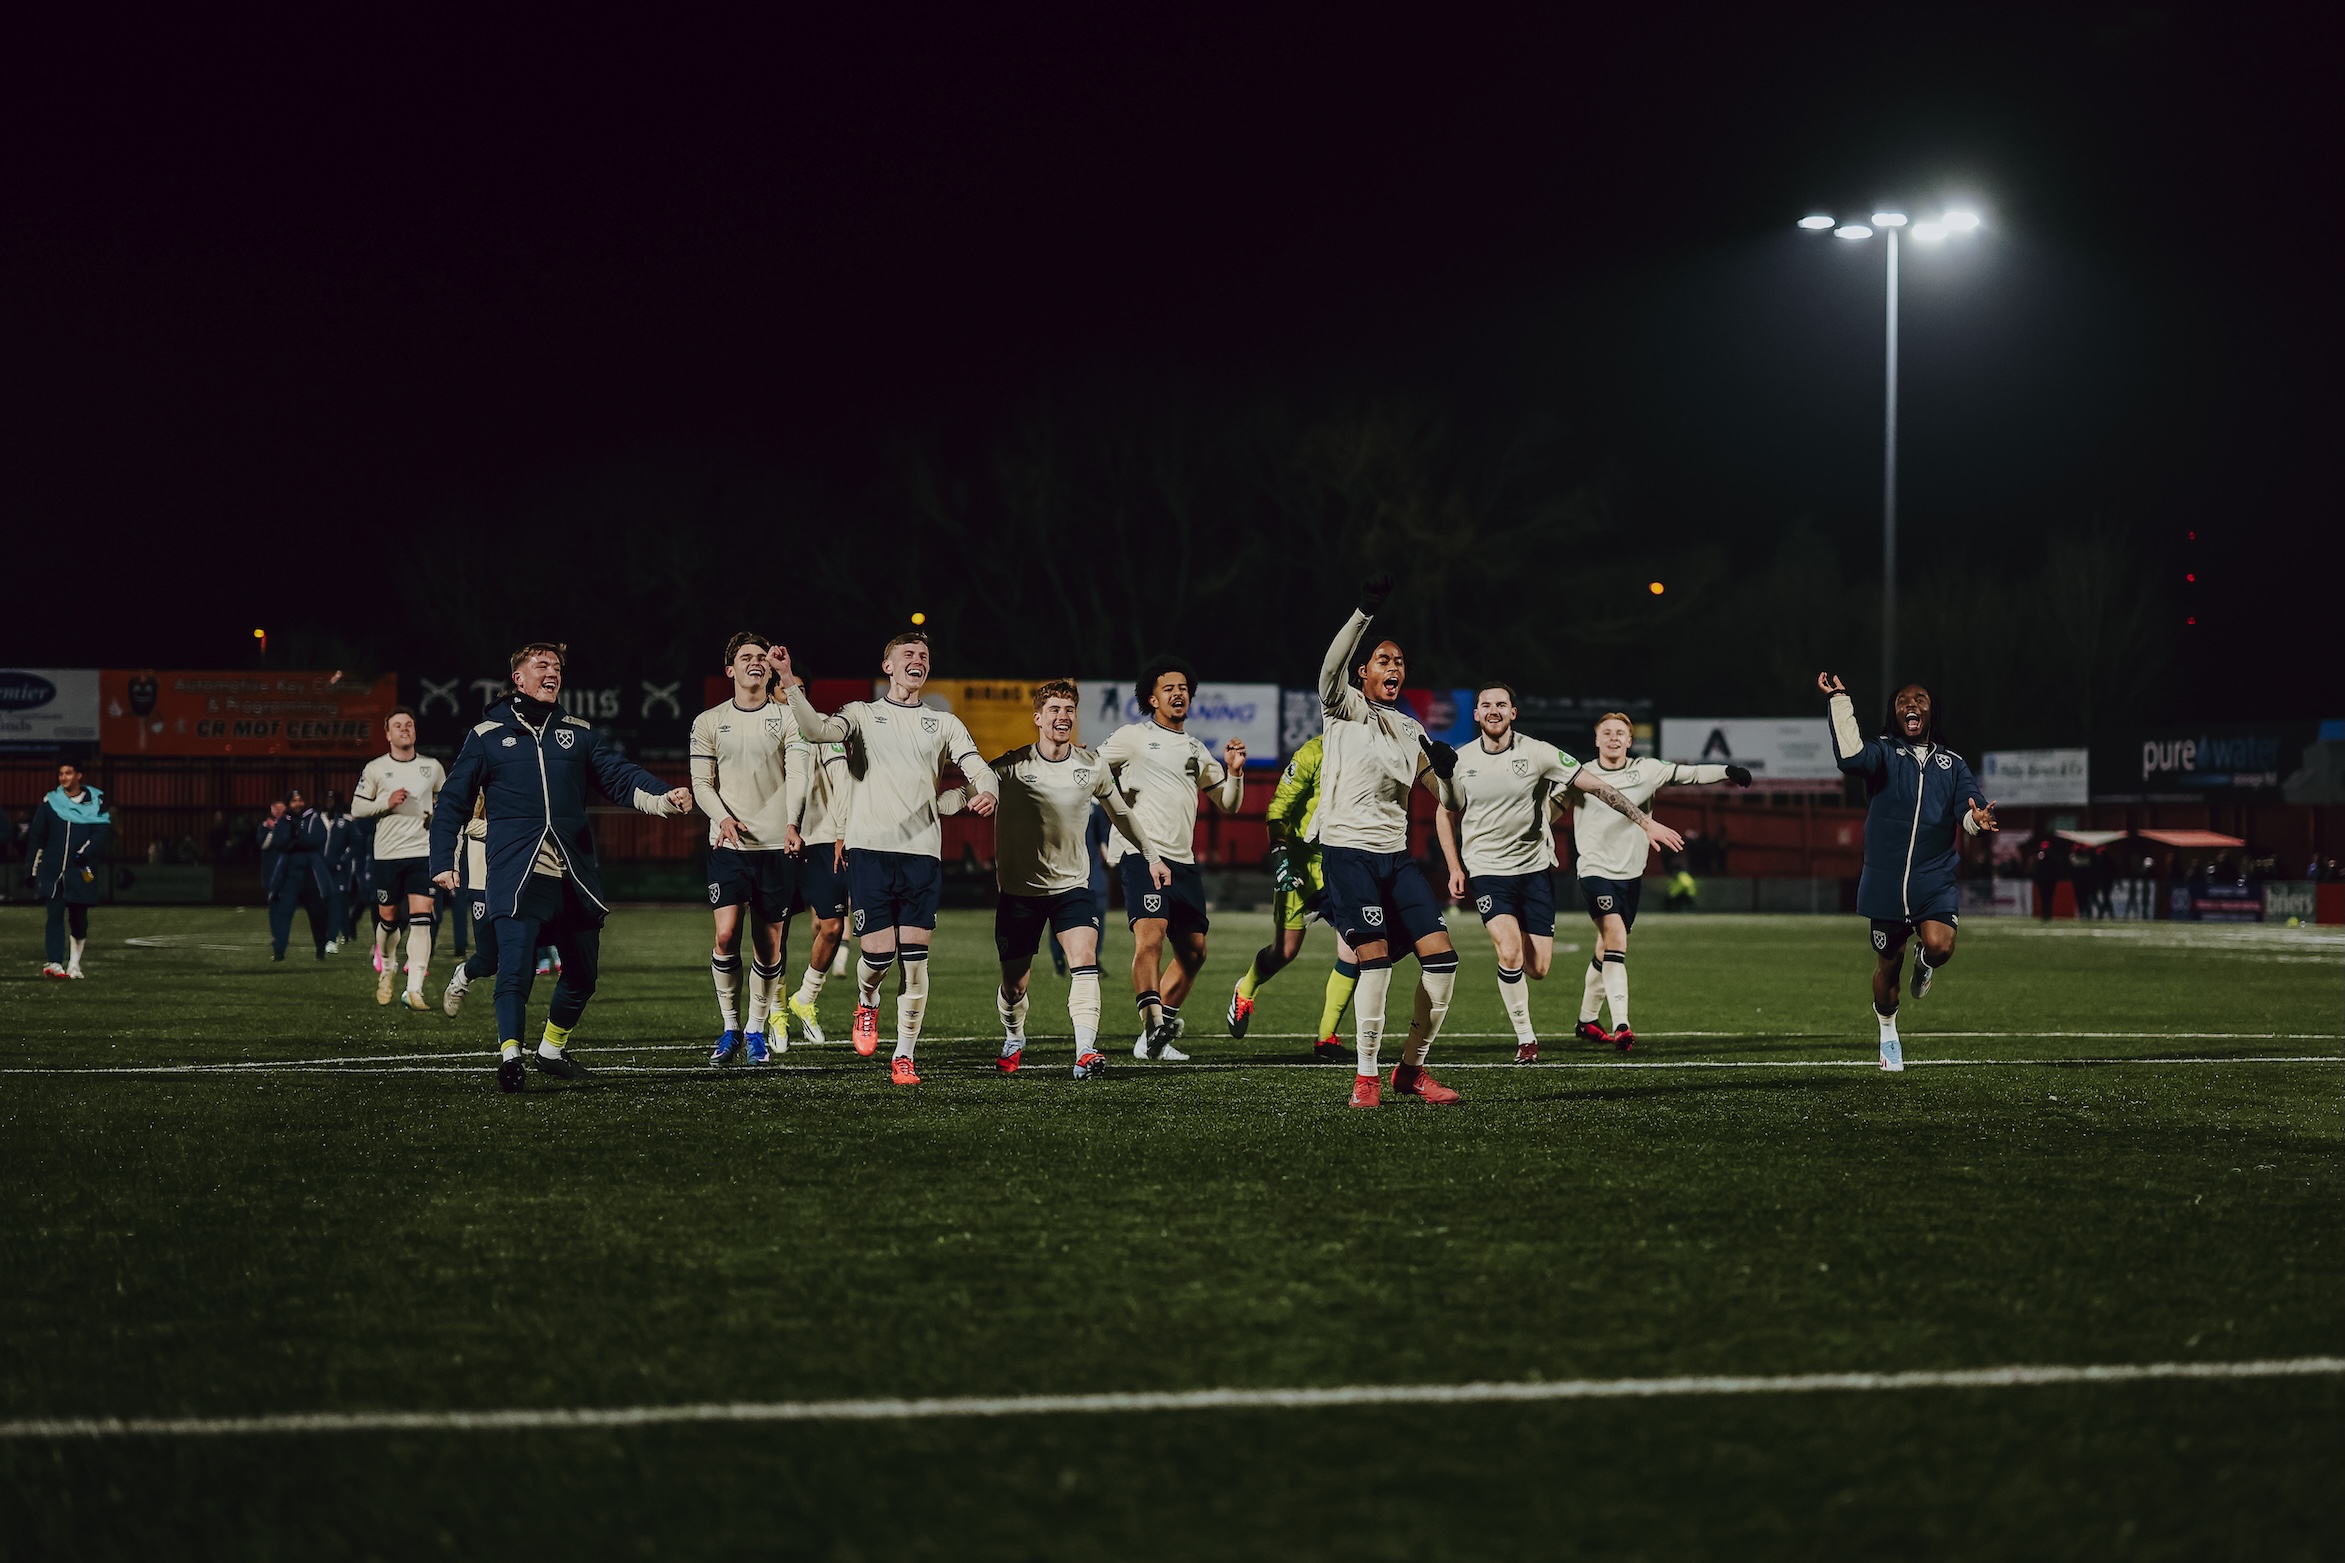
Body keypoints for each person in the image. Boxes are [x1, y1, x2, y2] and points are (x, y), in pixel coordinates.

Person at [429, 642, 694, 1093]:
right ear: (519, 678)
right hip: (515, 876)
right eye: (541, 665)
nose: (551, 672)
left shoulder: (579, 732)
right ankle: (510, 1055)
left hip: (574, 876)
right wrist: (442, 861)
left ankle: (551, 1049)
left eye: (556, 666)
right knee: (513, 968)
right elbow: (453, 801)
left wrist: (664, 798)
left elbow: (620, 776)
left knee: (583, 976)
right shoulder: (487, 735)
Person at [783, 631, 998, 1085]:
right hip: (870, 852)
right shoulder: (861, 714)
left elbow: (977, 767)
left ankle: (904, 1055)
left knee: (916, 959)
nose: (917, 660)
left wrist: (988, 791)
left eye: (924, 655)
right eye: (908, 654)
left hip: (921, 854)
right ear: (889, 666)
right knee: (877, 957)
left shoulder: (944, 724)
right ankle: (867, 1002)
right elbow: (817, 730)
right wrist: (789, 682)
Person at [1435, 693, 1698, 1063]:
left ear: (1513, 712)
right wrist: (1455, 866)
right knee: (1509, 952)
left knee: (1538, 968)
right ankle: (1526, 1039)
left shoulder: (1540, 753)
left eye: (1501, 705)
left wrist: (1646, 821)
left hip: (1534, 870)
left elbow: (1598, 786)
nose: (1494, 711)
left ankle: (1579, 1015)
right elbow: (1445, 812)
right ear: (1477, 713)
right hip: (1488, 872)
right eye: (1486, 705)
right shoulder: (1461, 760)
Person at [943, 679, 1168, 1079]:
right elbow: (964, 792)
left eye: (1069, 711)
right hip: (1020, 893)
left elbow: (1121, 814)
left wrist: (1151, 855)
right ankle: (1014, 1036)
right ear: (1038, 718)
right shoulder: (1013, 765)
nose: (1062, 717)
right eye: (1054, 711)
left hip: (1072, 887)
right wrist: (926, 805)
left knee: (1084, 960)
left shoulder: (1092, 766)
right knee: (1014, 986)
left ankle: (1085, 1051)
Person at [1311, 576, 1466, 1108]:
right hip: (1347, 852)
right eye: (1383, 659)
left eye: (1399, 661)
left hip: (1395, 859)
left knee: (1443, 961)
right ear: (1364, 672)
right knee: (1373, 960)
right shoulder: (1344, 708)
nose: (1394, 667)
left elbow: (1448, 797)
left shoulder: (1409, 730)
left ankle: (1411, 1070)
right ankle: (1366, 1077)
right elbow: (1329, 668)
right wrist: (1363, 612)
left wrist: (1446, 774)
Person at [1821, 672, 1997, 1071]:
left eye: (1919, 699)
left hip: (1932, 878)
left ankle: (1927, 961)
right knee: (1887, 965)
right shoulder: (1883, 752)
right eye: (1902, 700)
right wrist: (1840, 700)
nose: (1910, 704)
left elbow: (1969, 810)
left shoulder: (1952, 764)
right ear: (1894, 713)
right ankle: (1888, 1032)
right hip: (1885, 882)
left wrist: (1977, 821)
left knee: (1942, 945)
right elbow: (1849, 757)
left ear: (1931, 711)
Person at [1554, 710, 1743, 1054]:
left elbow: (1691, 773)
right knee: (1615, 939)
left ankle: (1586, 1020)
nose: (1613, 737)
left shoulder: (1648, 770)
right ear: (1596, 740)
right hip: (1595, 871)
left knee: (1605, 948)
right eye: (1606, 732)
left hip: (1631, 875)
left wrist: (1727, 771)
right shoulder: (1580, 775)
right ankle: (1622, 1025)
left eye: (1620, 733)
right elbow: (1550, 807)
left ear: (1629, 741)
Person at [1097, 657, 1247, 1060]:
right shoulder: (1133, 737)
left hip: (1183, 862)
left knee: (1195, 952)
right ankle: (1152, 1025)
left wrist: (1235, 772)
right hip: (1142, 854)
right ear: (1152, 698)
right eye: (1169, 688)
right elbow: (1093, 768)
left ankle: (1153, 1043)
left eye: (1183, 688)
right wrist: (1112, 802)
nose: (1178, 693)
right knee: (1151, 938)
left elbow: (1229, 804)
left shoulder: (1196, 749)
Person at [691, 631, 810, 1066]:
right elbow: (701, 784)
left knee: (768, 946)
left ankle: (756, 1030)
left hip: (776, 843)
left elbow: (798, 775)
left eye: (761, 657)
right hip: (728, 842)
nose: (755, 662)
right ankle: (729, 1027)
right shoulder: (708, 722)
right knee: (725, 936)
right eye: (746, 657)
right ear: (731, 669)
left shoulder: (788, 718)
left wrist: (793, 822)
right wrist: (722, 818)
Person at [1224, 733, 1359, 1064]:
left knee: (1354, 949)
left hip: (1342, 865)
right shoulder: (1313, 752)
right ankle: (1246, 989)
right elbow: (1278, 809)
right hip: (1302, 863)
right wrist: (1281, 858)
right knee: (1284, 951)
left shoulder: (1370, 751)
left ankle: (1326, 1038)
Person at [352, 707, 448, 1010]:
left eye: (409, 725)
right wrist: (386, 802)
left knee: (422, 919)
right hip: (388, 854)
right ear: (388, 734)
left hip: (422, 853)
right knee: (389, 920)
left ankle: (415, 989)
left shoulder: (431, 767)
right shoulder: (376, 768)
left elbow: (444, 804)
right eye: (398, 725)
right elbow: (357, 809)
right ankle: (388, 968)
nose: (404, 729)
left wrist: (437, 814)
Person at [782, 650, 855, 1048]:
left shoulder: (824, 730)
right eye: (785, 689)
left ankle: (805, 998)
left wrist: (842, 829)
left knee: (831, 925)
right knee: (771, 931)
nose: (792, 697)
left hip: (820, 839)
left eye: (799, 691)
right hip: (768, 841)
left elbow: (842, 782)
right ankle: (772, 1012)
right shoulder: (756, 732)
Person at [25, 761, 110, 979]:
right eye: (61, 773)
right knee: (54, 914)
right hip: (53, 871)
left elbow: (100, 835)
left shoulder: (96, 802)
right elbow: (37, 836)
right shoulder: (50, 803)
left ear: (79, 775)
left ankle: (74, 964)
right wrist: (31, 868)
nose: (64, 777)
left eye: (69, 773)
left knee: (79, 916)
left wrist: (84, 854)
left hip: (84, 870)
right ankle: (54, 962)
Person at [261, 788, 336, 960]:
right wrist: (296, 842)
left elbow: (317, 840)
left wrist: (296, 841)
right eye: (294, 801)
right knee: (284, 913)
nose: (297, 804)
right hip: (290, 875)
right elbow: (279, 843)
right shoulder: (284, 821)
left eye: (300, 800)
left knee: (317, 914)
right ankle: (279, 951)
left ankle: (320, 950)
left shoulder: (314, 818)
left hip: (311, 875)